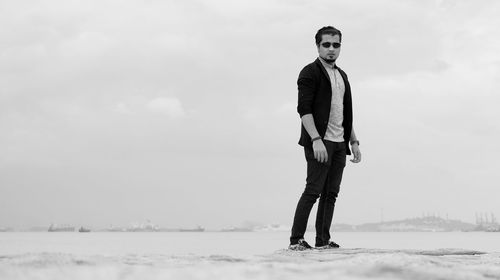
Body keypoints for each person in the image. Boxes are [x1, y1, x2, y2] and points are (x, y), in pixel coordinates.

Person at [289, 26, 362, 250]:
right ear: (318, 46)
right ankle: (296, 240)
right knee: (313, 190)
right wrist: (316, 139)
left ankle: (322, 240)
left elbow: (344, 112)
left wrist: (354, 141)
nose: (331, 49)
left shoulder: (342, 75)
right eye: (326, 45)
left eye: (336, 45)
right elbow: (304, 110)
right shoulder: (309, 72)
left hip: (340, 143)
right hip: (320, 142)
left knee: (331, 193)